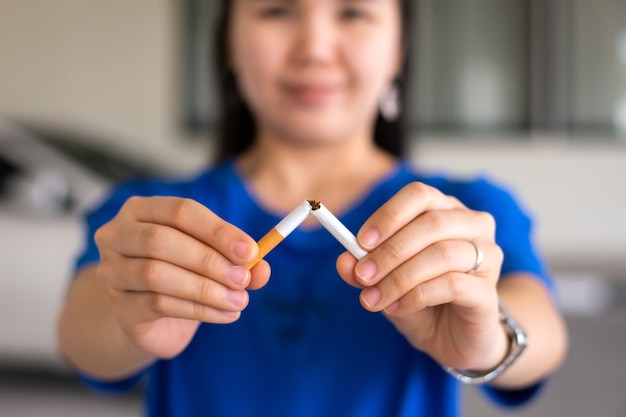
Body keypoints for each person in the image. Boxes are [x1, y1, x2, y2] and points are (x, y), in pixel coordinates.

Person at [57, 0, 568, 416]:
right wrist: (129, 323)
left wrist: (487, 338)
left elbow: (544, 335)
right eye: (278, 10)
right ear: (228, 42)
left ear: (399, 49)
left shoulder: (463, 210)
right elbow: (80, 337)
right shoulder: (151, 212)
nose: (315, 49)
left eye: (353, 13)